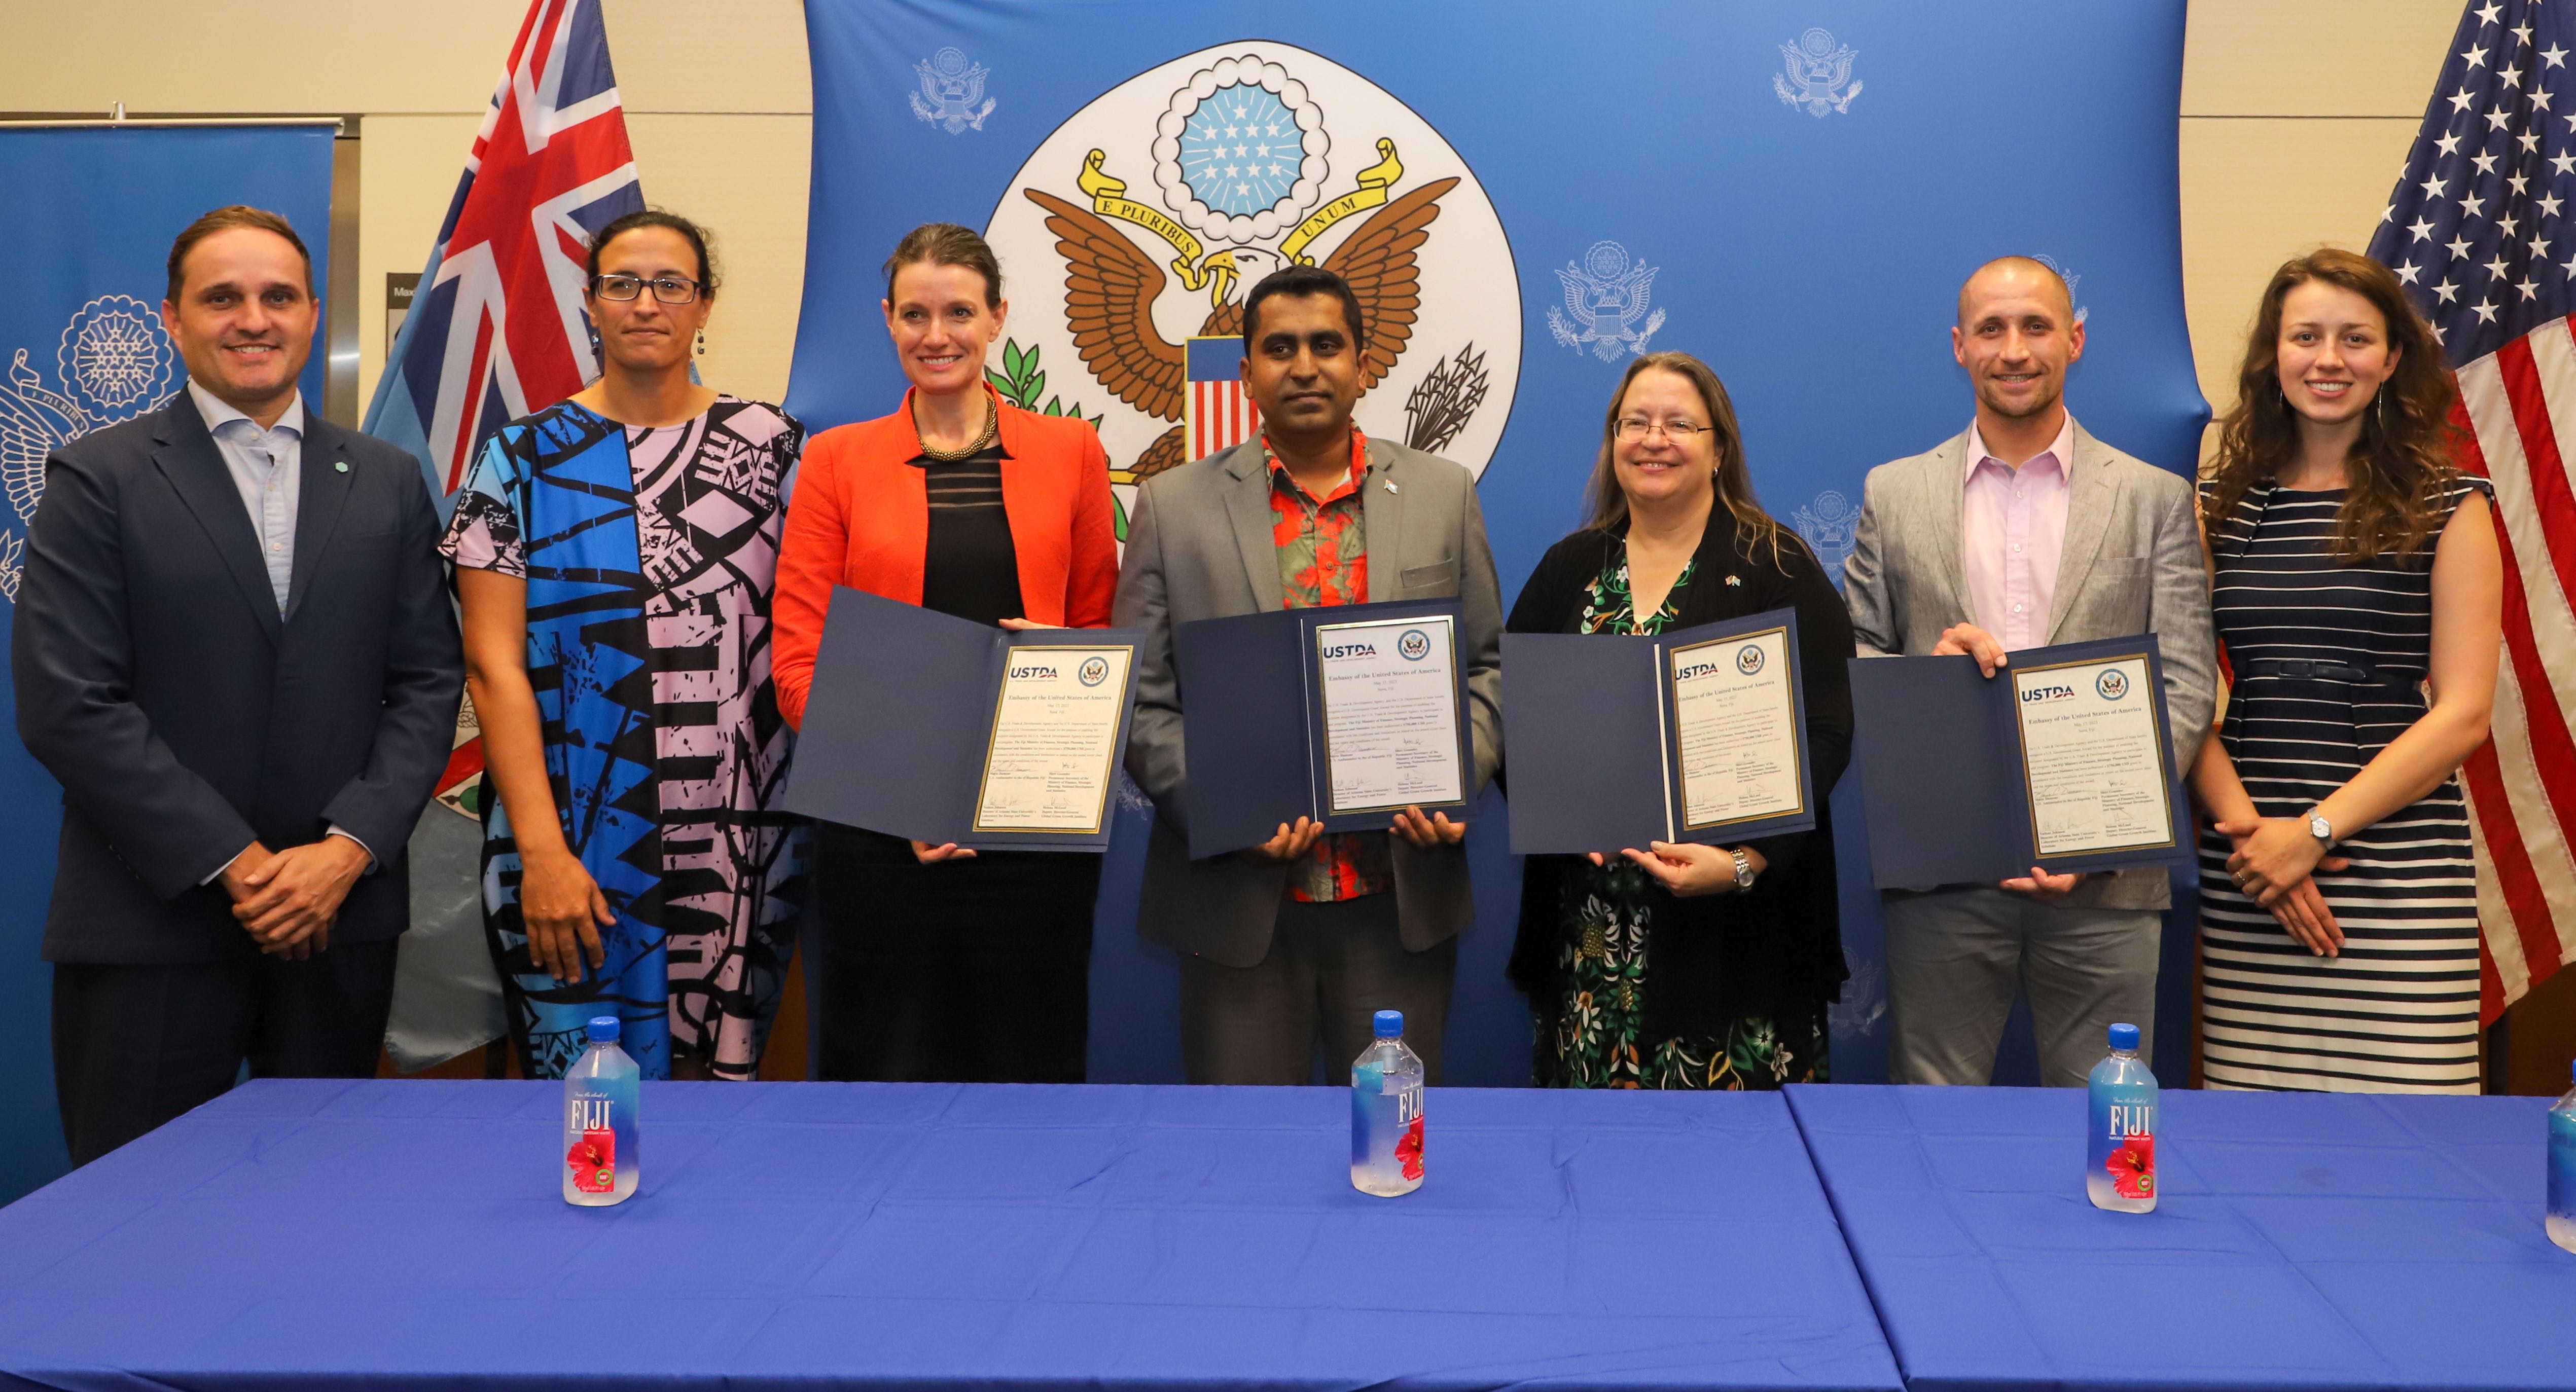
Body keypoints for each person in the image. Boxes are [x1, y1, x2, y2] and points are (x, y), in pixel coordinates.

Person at [15, 206, 463, 1163]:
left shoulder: (386, 479)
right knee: (132, 1228)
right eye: (222, 297)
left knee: (323, 1222)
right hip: (151, 923)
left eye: (278, 297)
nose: (252, 318)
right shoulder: (98, 477)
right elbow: (69, 703)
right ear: (173, 320)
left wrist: (341, 855)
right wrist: (248, 868)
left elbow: (428, 685)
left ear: (311, 316)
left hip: (338, 925)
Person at [1114, 264, 1505, 1086]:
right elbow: (1143, 705)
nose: (1304, 365)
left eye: (1327, 345)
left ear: (1364, 364)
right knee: (1246, 1168)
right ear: (1247, 369)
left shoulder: (1443, 494)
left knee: (1391, 1151)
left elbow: (1486, 669)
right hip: (1237, 907)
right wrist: (1228, 811)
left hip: (1396, 902)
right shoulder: (1172, 505)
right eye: (1279, 347)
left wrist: (1453, 780)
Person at [444, 210, 806, 1081]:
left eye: (671, 284)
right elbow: (493, 670)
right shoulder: (521, 459)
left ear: (705, 306)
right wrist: (541, 855)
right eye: (622, 284)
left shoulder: (777, 450)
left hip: (742, 851)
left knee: (730, 1121)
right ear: (591, 305)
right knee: (588, 1111)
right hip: (574, 842)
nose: (647, 304)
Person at [1843, 255, 2215, 1087]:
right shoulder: (1894, 493)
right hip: (1943, 875)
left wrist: (2098, 837)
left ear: (2075, 340)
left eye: (2036, 326)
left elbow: (2187, 686)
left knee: (2103, 1116)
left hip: (2107, 886)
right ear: (1959, 346)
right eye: (1991, 329)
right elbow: (1858, 660)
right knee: (1933, 1121)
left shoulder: (2155, 497)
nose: (2014, 349)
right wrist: (1921, 681)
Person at [772, 223, 1118, 1083]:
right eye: (916, 314)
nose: (937, 336)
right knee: (882, 1074)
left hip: (1032, 830)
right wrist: (907, 799)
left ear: (998, 316)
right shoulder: (835, 461)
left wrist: (1070, 658)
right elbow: (799, 664)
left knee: (1028, 1070)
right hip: (881, 832)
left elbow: (1100, 636)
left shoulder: (1071, 451)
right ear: (887, 320)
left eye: (959, 311)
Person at [2192, 249, 2499, 1092]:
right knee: (2253, 1148)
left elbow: (2465, 713)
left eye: (2355, 338)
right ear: (2273, 356)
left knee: (2412, 1142)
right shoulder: (2220, 503)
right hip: (2250, 867)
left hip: (2395, 873)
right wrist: (2262, 844)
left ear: (2393, 358)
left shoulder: (2452, 503)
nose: (2329, 360)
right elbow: (2181, 694)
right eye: (2307, 337)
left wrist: (2315, 834)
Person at [1505, 352, 1855, 1088]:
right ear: (1613, 441)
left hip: (1737, 938)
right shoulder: (1569, 570)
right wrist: (1567, 819)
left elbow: (1827, 729)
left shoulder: (1778, 567)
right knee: (1593, 1172)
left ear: (1718, 448)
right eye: (1635, 422)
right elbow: (1516, 718)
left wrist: (1744, 860)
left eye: (1679, 424)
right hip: (1592, 944)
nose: (1654, 438)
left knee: (1736, 1176)